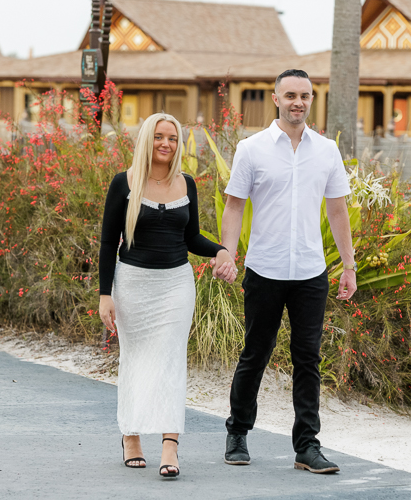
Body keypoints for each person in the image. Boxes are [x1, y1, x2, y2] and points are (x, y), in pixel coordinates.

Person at [218, 69, 357, 474]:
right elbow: (234, 205)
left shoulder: (327, 150)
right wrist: (227, 251)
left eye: (306, 95)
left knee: (308, 359)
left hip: (311, 273)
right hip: (265, 269)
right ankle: (238, 432)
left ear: (312, 100)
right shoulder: (252, 149)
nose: (299, 101)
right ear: (276, 98)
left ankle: (307, 446)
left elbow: (337, 210)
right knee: (255, 353)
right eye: (291, 94)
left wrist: (348, 266)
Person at [98, 113, 237, 479]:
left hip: (176, 285)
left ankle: (170, 445)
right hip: (132, 285)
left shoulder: (186, 184)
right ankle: (131, 436)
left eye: (173, 138)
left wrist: (221, 250)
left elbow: (192, 238)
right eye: (159, 136)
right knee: (136, 360)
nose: (166, 144)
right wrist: (104, 295)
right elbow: (107, 242)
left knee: (171, 361)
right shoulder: (123, 183)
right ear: (147, 139)